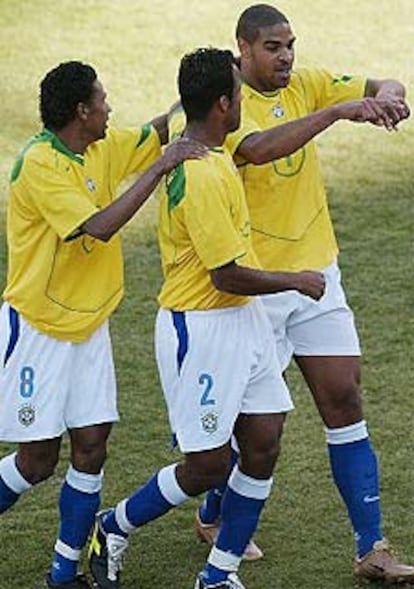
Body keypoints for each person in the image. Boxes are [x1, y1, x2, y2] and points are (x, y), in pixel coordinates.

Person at [87, 47, 328, 589]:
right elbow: (225, 274)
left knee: (264, 441)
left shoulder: (213, 152)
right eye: (240, 94)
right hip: (200, 327)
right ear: (224, 104)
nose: (245, 100)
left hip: (242, 323)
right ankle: (113, 525)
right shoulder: (197, 173)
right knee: (207, 466)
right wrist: (297, 280)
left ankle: (218, 575)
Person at [190, 4, 414, 583]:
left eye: (290, 45)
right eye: (273, 47)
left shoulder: (308, 82)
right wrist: (338, 113)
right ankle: (214, 512)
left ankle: (372, 549)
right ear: (243, 48)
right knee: (255, 429)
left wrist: (388, 93)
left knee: (344, 398)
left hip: (317, 275)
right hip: (256, 287)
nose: (286, 56)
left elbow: (375, 83)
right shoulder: (225, 104)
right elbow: (259, 148)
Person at [0, 60, 206, 589]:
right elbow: (99, 226)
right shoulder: (40, 165)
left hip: (90, 328)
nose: (111, 106)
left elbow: (158, 128)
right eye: (103, 99)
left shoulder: (98, 146)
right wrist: (160, 168)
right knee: (37, 460)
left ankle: (65, 569)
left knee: (92, 444)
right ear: (81, 111)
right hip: (39, 330)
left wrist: (204, 90)